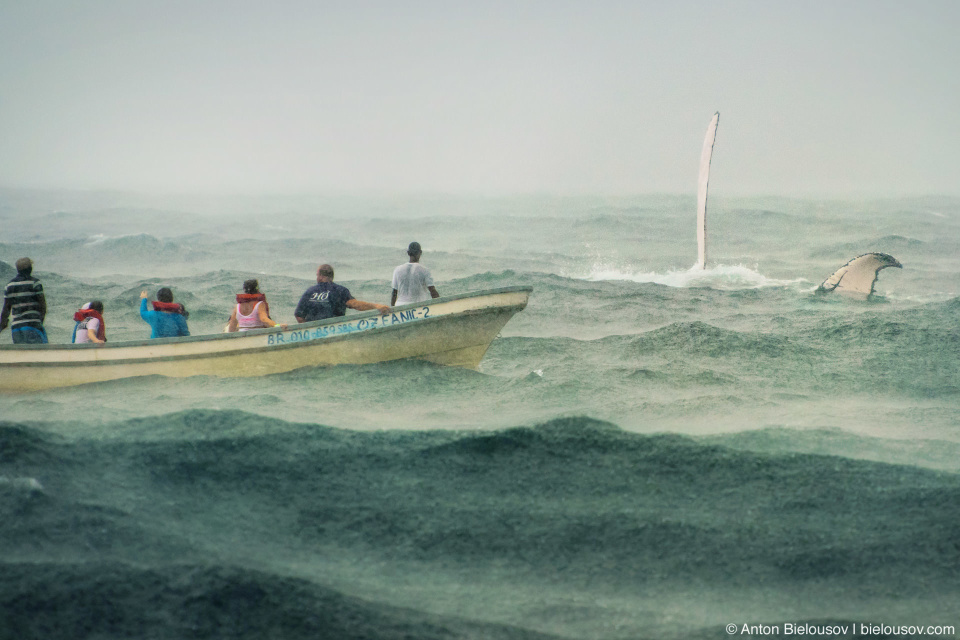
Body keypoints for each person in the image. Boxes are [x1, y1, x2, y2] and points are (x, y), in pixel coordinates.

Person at [294, 264, 391, 323]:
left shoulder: (310, 291)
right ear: (332, 276)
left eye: (317, 275)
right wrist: (376, 306)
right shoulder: (340, 290)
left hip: (313, 332)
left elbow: (299, 315)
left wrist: (311, 329)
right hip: (336, 328)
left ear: (320, 276)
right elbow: (355, 305)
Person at [0, 257, 48, 344]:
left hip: (16, 328)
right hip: (32, 326)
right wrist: (39, 323)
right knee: (39, 355)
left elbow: (6, 309)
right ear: (30, 269)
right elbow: (42, 306)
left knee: (21, 355)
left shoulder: (9, 285)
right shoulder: (35, 283)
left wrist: (2, 324)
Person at [391, 241, 440, 306]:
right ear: (420, 252)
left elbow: (394, 293)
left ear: (408, 253)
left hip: (400, 305)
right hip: (418, 306)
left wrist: (393, 310)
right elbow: (432, 291)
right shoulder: (424, 270)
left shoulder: (397, 269)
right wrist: (441, 305)